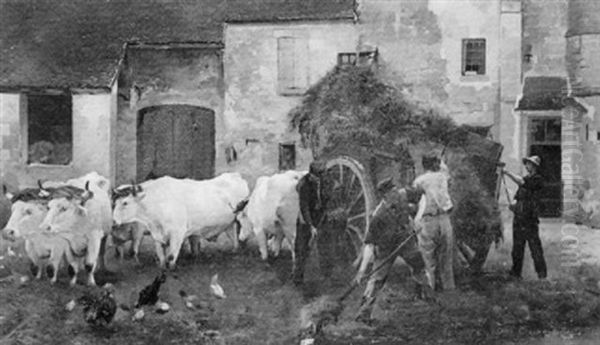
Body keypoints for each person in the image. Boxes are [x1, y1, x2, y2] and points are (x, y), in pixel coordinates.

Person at [354, 183, 429, 323]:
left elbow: (423, 195)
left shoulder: (402, 195)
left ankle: (428, 299)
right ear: (385, 196)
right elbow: (369, 245)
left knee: (420, 268)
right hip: (385, 248)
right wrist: (362, 270)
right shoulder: (378, 216)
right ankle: (363, 314)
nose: (397, 194)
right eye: (393, 192)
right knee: (377, 280)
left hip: (405, 241)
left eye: (396, 190)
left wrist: (418, 218)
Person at [413, 150, 455, 291]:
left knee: (428, 257)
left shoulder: (419, 181)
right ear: (435, 164)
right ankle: (449, 288)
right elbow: (445, 170)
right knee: (446, 257)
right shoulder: (443, 177)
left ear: (425, 165)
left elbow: (415, 201)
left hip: (428, 220)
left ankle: (430, 287)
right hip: (444, 219)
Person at [502, 155, 547, 280]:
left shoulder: (537, 180)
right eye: (526, 163)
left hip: (529, 219)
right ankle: (516, 273)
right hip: (519, 218)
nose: (526, 165)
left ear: (534, 166)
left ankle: (542, 274)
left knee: (535, 248)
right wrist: (513, 205)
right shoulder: (526, 179)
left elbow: (521, 182)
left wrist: (506, 172)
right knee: (517, 248)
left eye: (528, 163)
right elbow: (518, 197)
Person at [292, 161, 327, 286]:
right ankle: (298, 279)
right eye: (316, 178)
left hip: (318, 216)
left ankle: (323, 275)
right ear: (311, 175)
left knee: (322, 246)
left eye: (320, 177)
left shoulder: (321, 180)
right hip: (305, 219)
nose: (318, 180)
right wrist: (311, 226)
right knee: (302, 248)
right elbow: (304, 207)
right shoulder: (304, 185)